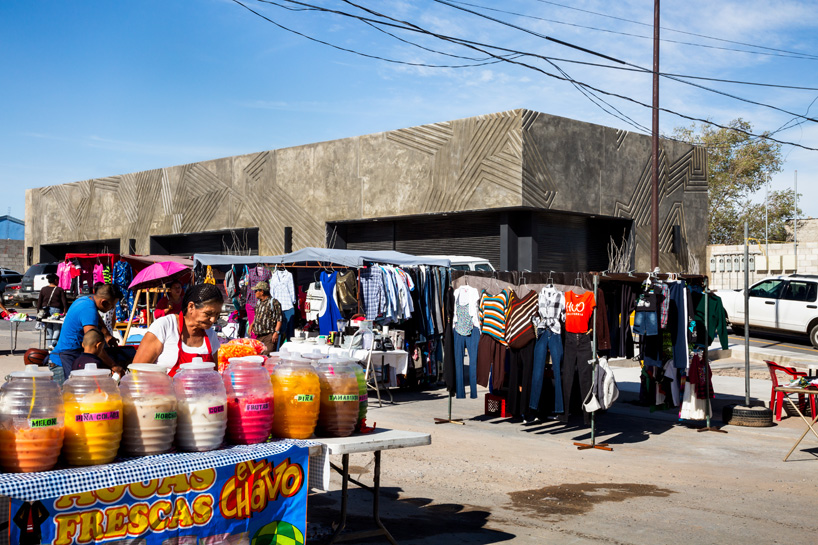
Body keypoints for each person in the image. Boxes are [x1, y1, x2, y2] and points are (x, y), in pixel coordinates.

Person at [134, 283, 223, 376]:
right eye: (208, 314)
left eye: (217, 315)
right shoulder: (165, 326)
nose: (213, 319)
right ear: (191, 307)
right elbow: (136, 372)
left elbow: (214, 377)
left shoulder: (211, 335)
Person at [50, 284, 120, 380]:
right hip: (63, 361)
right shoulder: (89, 310)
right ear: (103, 302)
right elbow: (93, 345)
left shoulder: (87, 300)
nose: (112, 309)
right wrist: (114, 366)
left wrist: (107, 335)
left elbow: (97, 318)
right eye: (112, 306)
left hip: (66, 356)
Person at [248, 281, 282, 354]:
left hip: (269, 336)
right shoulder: (259, 302)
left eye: (256, 291)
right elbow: (257, 315)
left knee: (267, 357)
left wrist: (276, 332)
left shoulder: (274, 303)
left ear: (262, 291)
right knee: (258, 357)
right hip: (259, 337)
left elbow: (279, 319)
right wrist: (251, 325)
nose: (255, 293)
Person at [37, 273, 68, 350]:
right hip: (56, 310)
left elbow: (39, 301)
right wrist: (65, 311)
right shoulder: (59, 290)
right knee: (57, 328)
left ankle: (49, 346)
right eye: (58, 280)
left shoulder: (43, 289)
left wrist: (38, 312)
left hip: (45, 311)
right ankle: (53, 345)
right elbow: (64, 302)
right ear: (55, 280)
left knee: (48, 329)